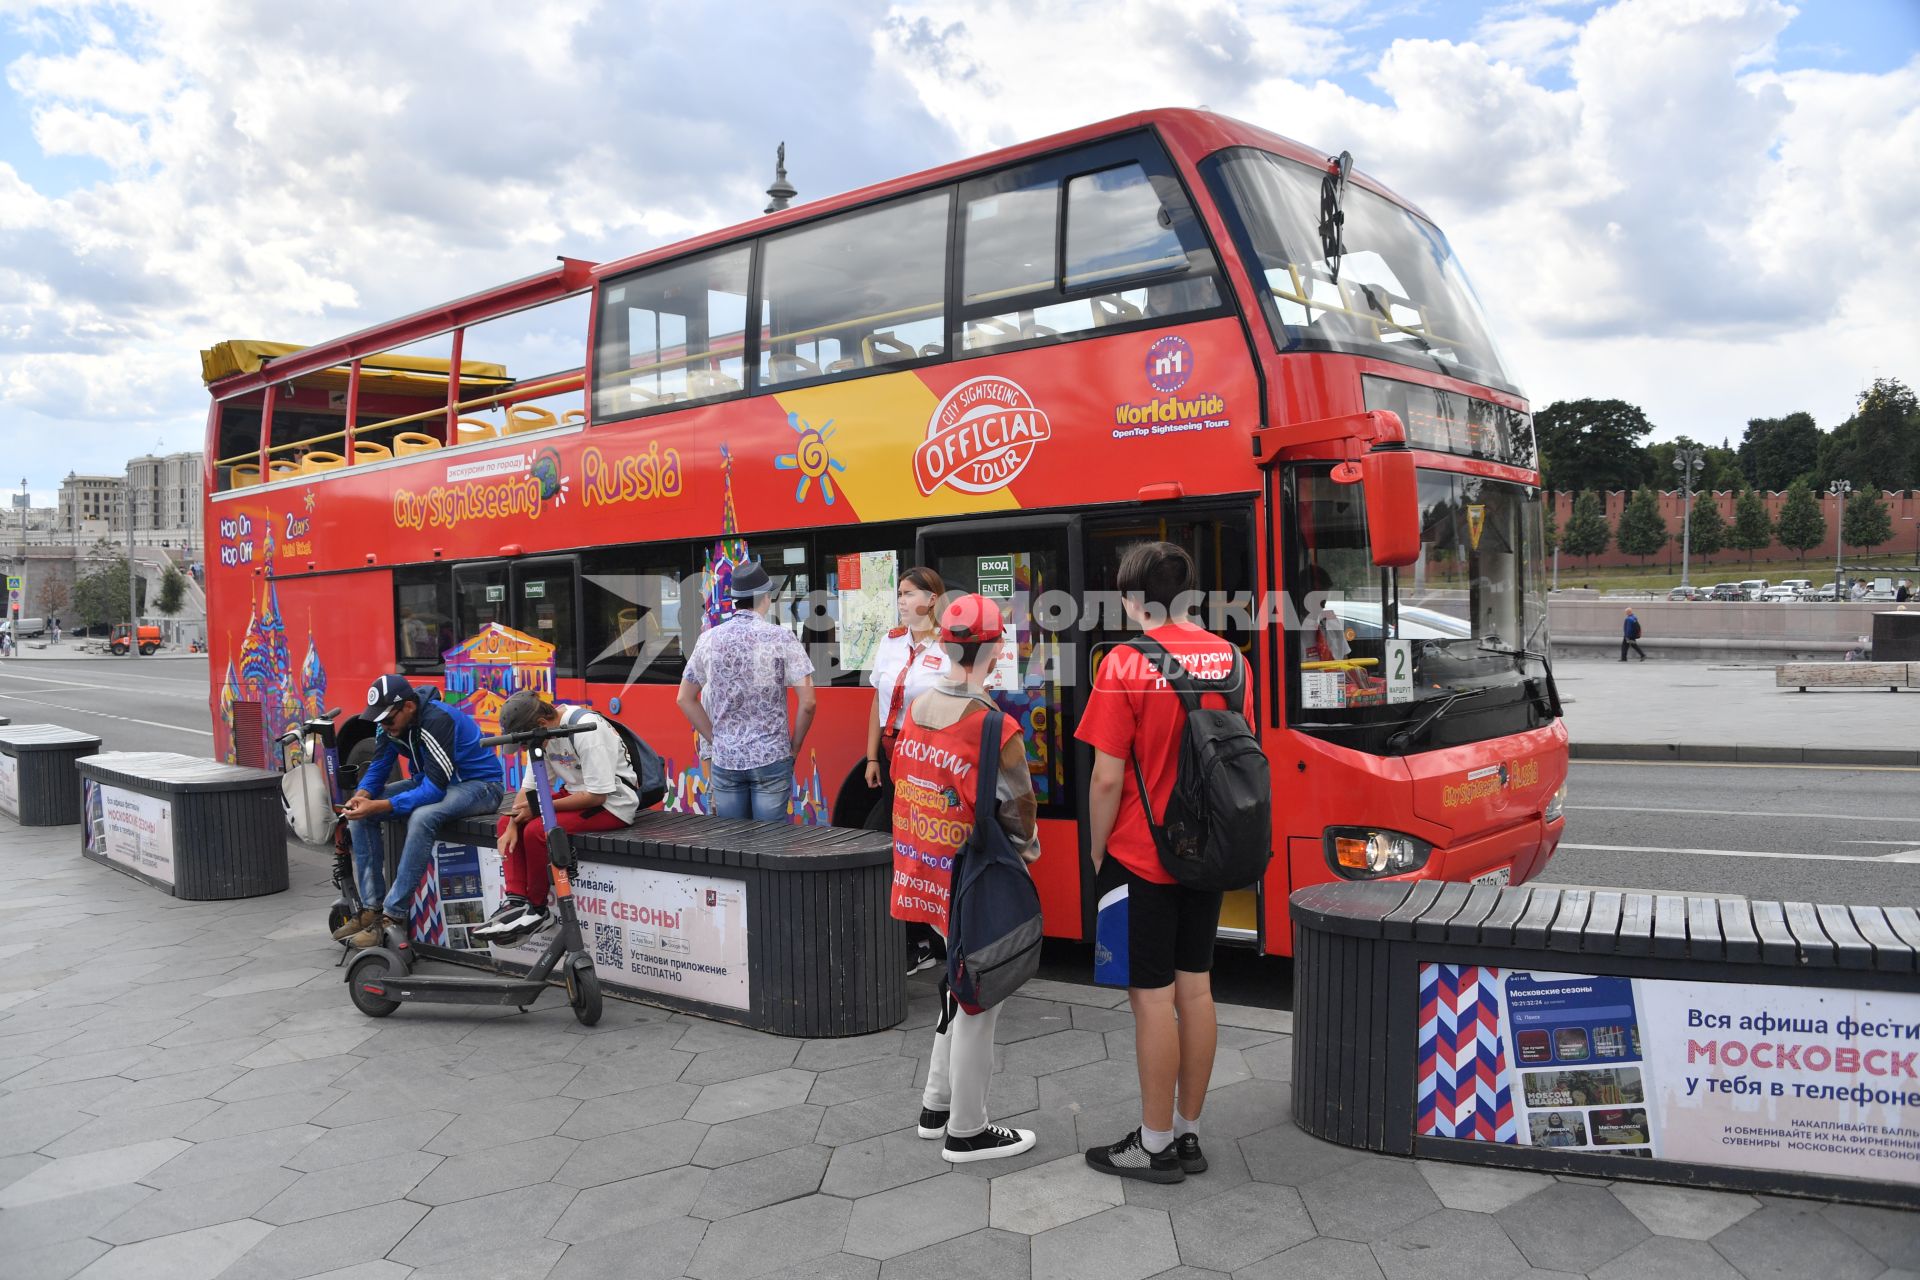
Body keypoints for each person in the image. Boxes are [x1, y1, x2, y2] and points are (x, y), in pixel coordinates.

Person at [1076, 541, 1241, 1184]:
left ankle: (1153, 1142)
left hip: (1142, 856)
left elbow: (1105, 781)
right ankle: (1190, 1133)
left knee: (1152, 998)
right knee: (1196, 987)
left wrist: (1097, 850)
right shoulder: (1231, 659)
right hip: (1208, 851)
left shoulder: (1124, 662)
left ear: (1131, 600)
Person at [891, 593, 1039, 1163]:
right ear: (995, 650)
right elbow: (1018, 813)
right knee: (981, 994)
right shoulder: (994, 727)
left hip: (923, 867)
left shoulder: (918, 704)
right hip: (972, 877)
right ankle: (967, 1131)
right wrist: (1025, 857)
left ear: (946, 645)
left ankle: (935, 1105)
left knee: (956, 984)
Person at [334, 674, 506, 948]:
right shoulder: (390, 723)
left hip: (480, 786)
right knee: (360, 816)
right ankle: (372, 909)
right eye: (379, 720)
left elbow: (435, 790)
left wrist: (382, 805)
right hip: (436, 782)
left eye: (388, 720)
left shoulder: (436, 720)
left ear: (409, 707)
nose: (384, 725)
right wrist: (362, 796)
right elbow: (379, 765)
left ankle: (393, 915)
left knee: (423, 816)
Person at [476, 690, 640, 944]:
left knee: (536, 831)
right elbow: (528, 790)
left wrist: (540, 810)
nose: (523, 748)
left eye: (523, 743)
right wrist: (510, 824)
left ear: (541, 725)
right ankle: (516, 901)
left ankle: (537, 909)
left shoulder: (587, 730)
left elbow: (598, 796)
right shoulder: (540, 737)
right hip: (577, 795)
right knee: (508, 821)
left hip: (612, 804)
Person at [677, 558, 816, 820]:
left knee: (735, 843)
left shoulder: (708, 639)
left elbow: (685, 698)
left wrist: (715, 739)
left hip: (726, 759)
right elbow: (808, 703)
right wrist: (794, 747)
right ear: (765, 598)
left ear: (735, 600)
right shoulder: (781, 637)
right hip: (772, 756)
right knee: (769, 842)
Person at [864, 566, 951, 974]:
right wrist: (871, 758)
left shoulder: (949, 644)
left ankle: (933, 938)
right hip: (891, 751)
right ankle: (919, 938)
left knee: (925, 846)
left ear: (931, 600)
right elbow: (875, 703)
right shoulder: (890, 641)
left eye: (907, 593)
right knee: (894, 843)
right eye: (898, 593)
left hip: (927, 757)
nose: (900, 600)